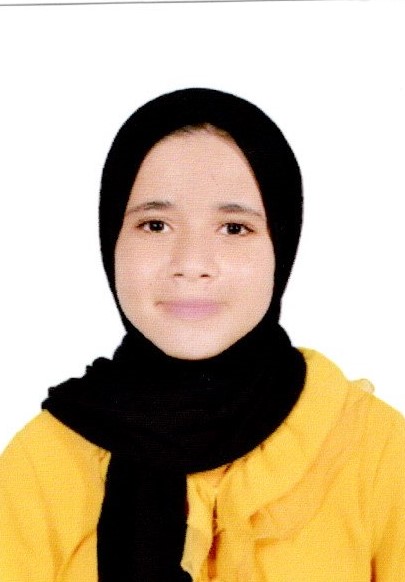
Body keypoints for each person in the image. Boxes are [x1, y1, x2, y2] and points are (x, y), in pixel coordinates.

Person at [0, 88, 404, 582]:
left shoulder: (374, 451)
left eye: (234, 228)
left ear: (282, 244)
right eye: (155, 225)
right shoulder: (41, 464)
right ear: (111, 240)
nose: (191, 264)